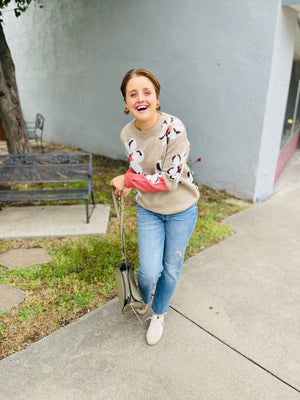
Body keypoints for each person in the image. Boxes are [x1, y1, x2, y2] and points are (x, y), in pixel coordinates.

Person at [110, 68, 199, 345]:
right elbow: (138, 165)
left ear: (157, 98)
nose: (140, 98)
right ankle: (145, 297)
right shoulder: (127, 133)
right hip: (148, 209)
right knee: (149, 271)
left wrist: (129, 179)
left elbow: (169, 181)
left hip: (181, 210)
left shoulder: (175, 128)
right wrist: (129, 182)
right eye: (132, 94)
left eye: (146, 92)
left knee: (170, 268)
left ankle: (158, 315)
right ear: (126, 103)